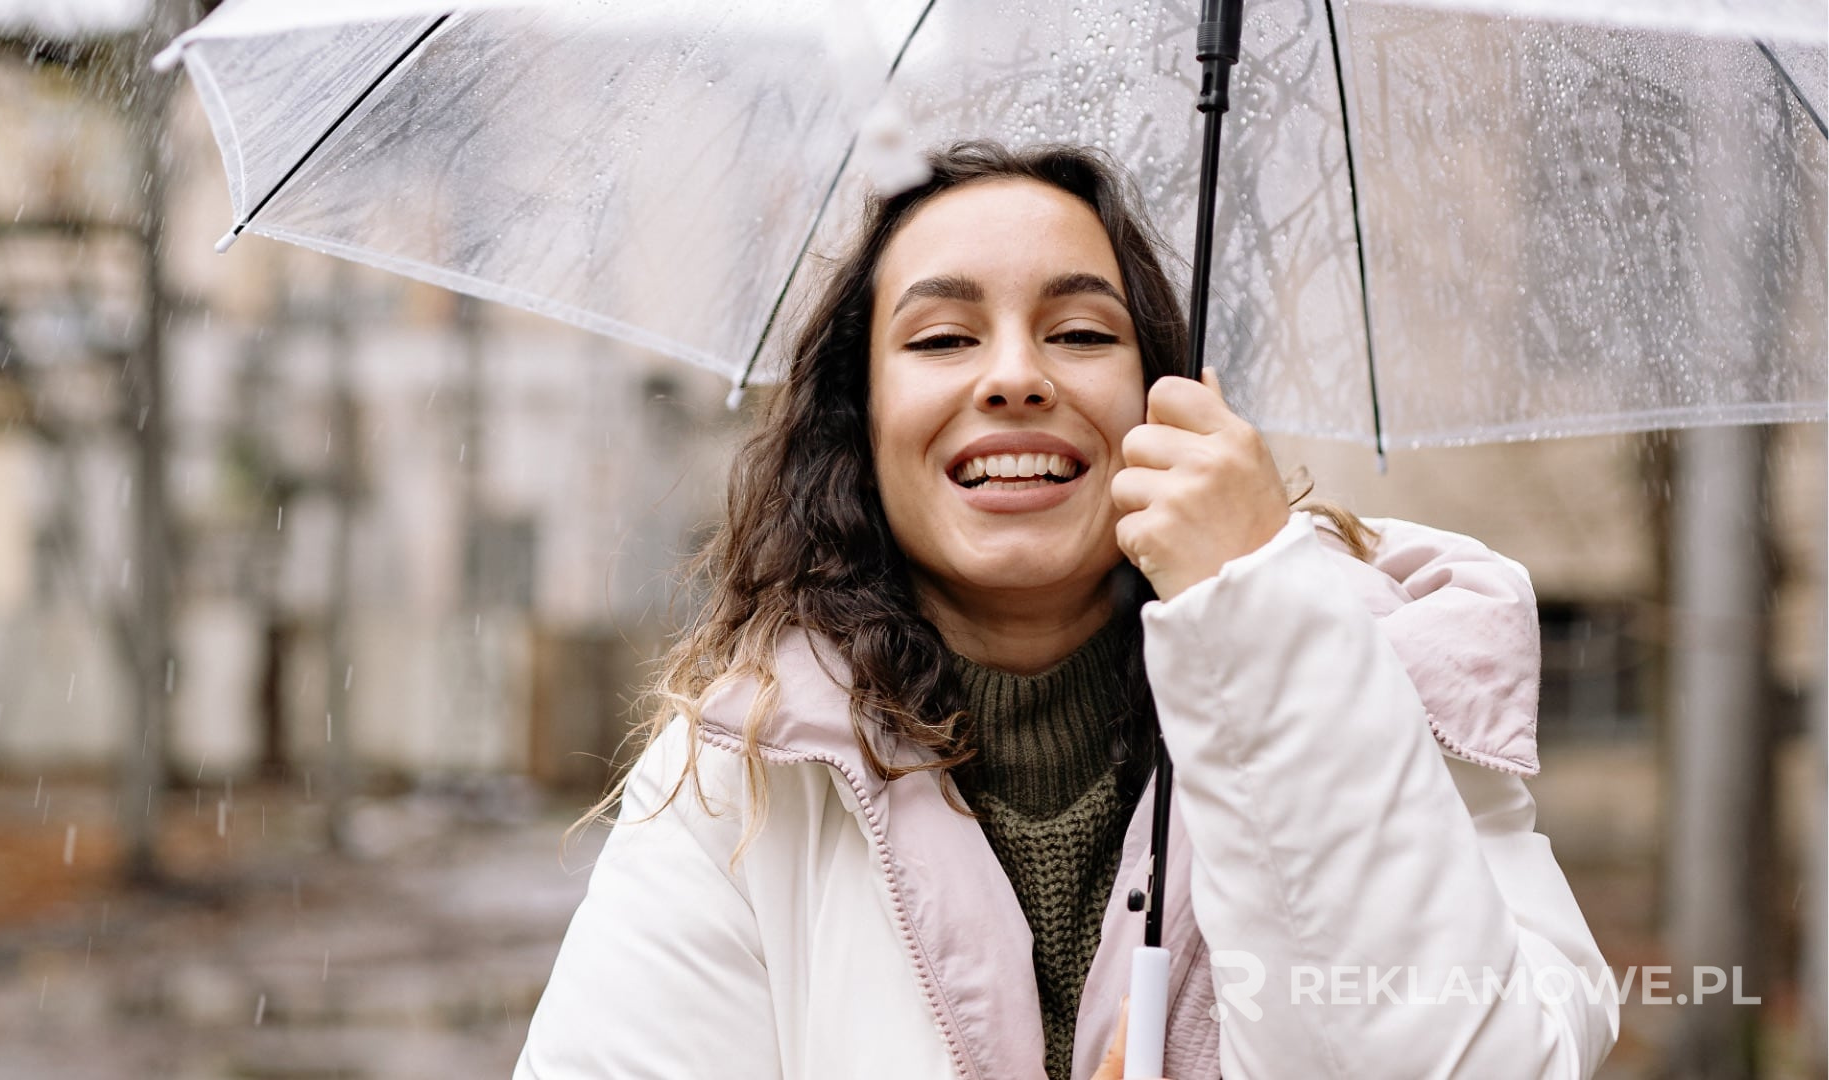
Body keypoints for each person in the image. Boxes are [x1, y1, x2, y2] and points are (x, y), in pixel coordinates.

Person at [514, 141, 1619, 1080]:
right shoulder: (744, 769)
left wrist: (1263, 621)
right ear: (861, 425)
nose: (1013, 377)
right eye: (943, 338)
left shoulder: (1391, 679)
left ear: (1165, 407)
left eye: (1083, 334)